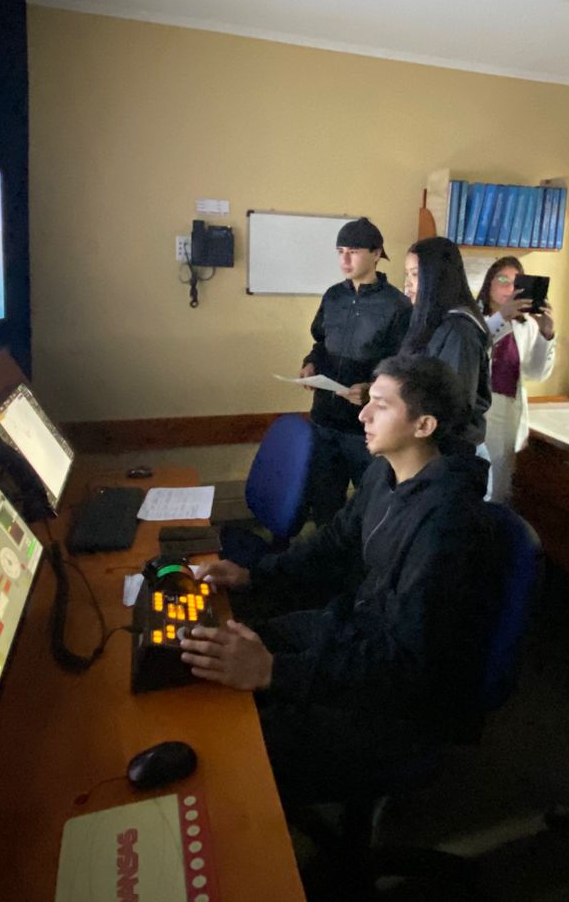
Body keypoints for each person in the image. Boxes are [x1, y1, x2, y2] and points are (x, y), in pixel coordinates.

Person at [181, 354, 500, 805]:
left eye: (380, 405)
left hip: (399, 705)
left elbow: (406, 663)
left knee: (234, 745)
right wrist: (253, 574)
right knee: (221, 652)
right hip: (357, 636)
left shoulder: (447, 524)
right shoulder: (384, 473)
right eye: (368, 401)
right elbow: (333, 542)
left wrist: (275, 671)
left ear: (424, 425)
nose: (362, 415)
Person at [299, 216, 412, 527]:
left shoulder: (398, 306)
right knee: (324, 505)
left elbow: (402, 364)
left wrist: (371, 388)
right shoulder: (333, 296)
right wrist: (310, 362)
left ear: (376, 254)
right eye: (340, 251)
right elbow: (320, 341)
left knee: (373, 508)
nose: (345, 260)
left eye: (353, 251)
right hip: (324, 420)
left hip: (367, 428)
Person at [476, 256, 557, 503]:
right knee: (481, 483)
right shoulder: (474, 318)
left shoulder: (526, 325)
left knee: (503, 486)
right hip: (482, 409)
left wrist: (546, 334)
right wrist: (502, 316)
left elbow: (536, 373)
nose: (509, 288)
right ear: (489, 283)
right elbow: (476, 346)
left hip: (511, 411)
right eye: (502, 280)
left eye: (516, 283)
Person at [401, 236, 492, 454]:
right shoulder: (431, 323)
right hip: (429, 444)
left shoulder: (459, 330)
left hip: (451, 450)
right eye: (407, 275)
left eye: (415, 275)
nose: (407, 285)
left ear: (437, 278)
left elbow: (455, 404)